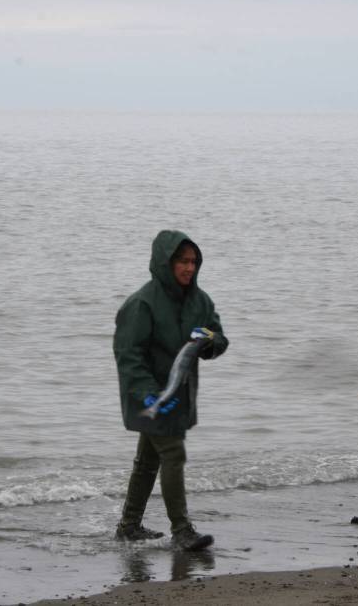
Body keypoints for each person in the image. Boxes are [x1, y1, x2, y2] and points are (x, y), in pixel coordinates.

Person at [113, 229, 229, 551]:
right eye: (182, 261)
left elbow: (220, 338)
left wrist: (210, 341)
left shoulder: (200, 301)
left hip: (179, 395)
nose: (189, 268)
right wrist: (149, 392)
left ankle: (129, 526)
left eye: (193, 262)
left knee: (148, 460)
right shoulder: (142, 304)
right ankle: (181, 530)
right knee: (173, 454)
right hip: (147, 396)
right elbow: (128, 355)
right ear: (165, 262)